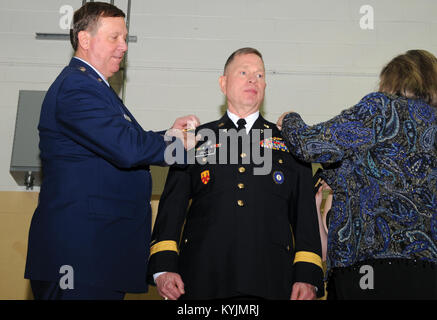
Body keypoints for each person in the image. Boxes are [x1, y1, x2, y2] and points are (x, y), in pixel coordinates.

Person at [24, 2, 199, 300]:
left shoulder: (94, 87)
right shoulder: (77, 87)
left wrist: (169, 135)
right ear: (85, 39)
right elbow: (127, 149)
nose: (123, 46)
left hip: (96, 256)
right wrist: (176, 144)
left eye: (125, 38)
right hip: (79, 257)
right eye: (114, 37)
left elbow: (121, 140)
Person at [147, 47, 324, 300]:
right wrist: (163, 267)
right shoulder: (194, 140)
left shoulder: (289, 142)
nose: (253, 80)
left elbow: (305, 215)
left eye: (260, 75)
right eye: (243, 72)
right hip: (202, 277)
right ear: (223, 83)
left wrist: (307, 275)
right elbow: (171, 208)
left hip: (272, 278)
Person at [278, 49, 437, 299]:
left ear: (394, 80)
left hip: (369, 271)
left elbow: (310, 145)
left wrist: (289, 120)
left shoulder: (382, 109)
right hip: (428, 274)